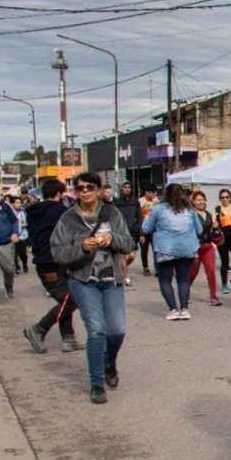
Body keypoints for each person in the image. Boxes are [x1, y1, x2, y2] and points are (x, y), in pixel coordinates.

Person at [49, 172, 136, 404]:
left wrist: (112, 239)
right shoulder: (68, 218)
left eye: (89, 187)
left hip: (111, 279)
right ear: (76, 192)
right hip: (83, 280)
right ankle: (96, 383)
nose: (85, 191)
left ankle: (109, 362)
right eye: (80, 188)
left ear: (98, 190)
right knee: (97, 330)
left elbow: (128, 242)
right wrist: (82, 247)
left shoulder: (111, 213)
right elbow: (57, 251)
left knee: (117, 330)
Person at [21, 179, 83, 354]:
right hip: (52, 262)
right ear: (59, 194)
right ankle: (39, 329)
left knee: (66, 299)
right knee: (71, 300)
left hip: (46, 261)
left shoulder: (33, 211)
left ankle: (69, 338)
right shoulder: (61, 212)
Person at [142, 183, 203, 320]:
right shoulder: (190, 209)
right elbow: (199, 230)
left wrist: (147, 219)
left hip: (165, 249)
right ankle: (185, 309)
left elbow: (146, 229)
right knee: (183, 280)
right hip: (187, 249)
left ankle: (173, 309)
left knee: (165, 280)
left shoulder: (158, 209)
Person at [188, 190, 222, 306]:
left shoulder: (209, 214)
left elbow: (213, 229)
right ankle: (185, 291)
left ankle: (213, 297)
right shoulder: (191, 214)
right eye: (198, 200)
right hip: (196, 247)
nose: (201, 202)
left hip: (208, 247)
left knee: (211, 271)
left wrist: (215, 226)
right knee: (193, 272)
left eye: (203, 199)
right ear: (193, 201)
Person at [113, 182, 144, 286]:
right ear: (121, 189)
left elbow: (140, 218)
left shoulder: (135, 202)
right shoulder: (116, 202)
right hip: (121, 232)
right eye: (125, 187)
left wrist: (141, 233)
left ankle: (121, 268)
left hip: (133, 231)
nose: (127, 189)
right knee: (122, 256)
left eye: (129, 187)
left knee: (132, 256)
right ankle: (126, 277)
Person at [215, 189, 231, 294]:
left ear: (230, 198)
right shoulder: (217, 209)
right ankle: (224, 284)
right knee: (225, 262)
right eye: (222, 197)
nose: (225, 199)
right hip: (222, 239)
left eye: (227, 197)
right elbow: (214, 224)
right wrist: (215, 225)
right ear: (220, 199)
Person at [138, 186, 159, 276]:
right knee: (144, 249)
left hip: (154, 228)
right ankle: (145, 267)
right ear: (146, 192)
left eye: (154, 193)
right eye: (151, 192)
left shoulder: (156, 201)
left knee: (156, 249)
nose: (152, 195)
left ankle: (157, 268)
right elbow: (139, 215)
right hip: (144, 227)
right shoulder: (140, 201)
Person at [10, 195, 30, 273]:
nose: (19, 204)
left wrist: (22, 225)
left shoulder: (24, 212)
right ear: (12, 204)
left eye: (20, 203)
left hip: (22, 236)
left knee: (22, 253)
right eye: (17, 203)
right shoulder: (9, 213)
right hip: (13, 236)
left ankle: (24, 263)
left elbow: (27, 223)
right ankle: (15, 267)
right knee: (14, 254)